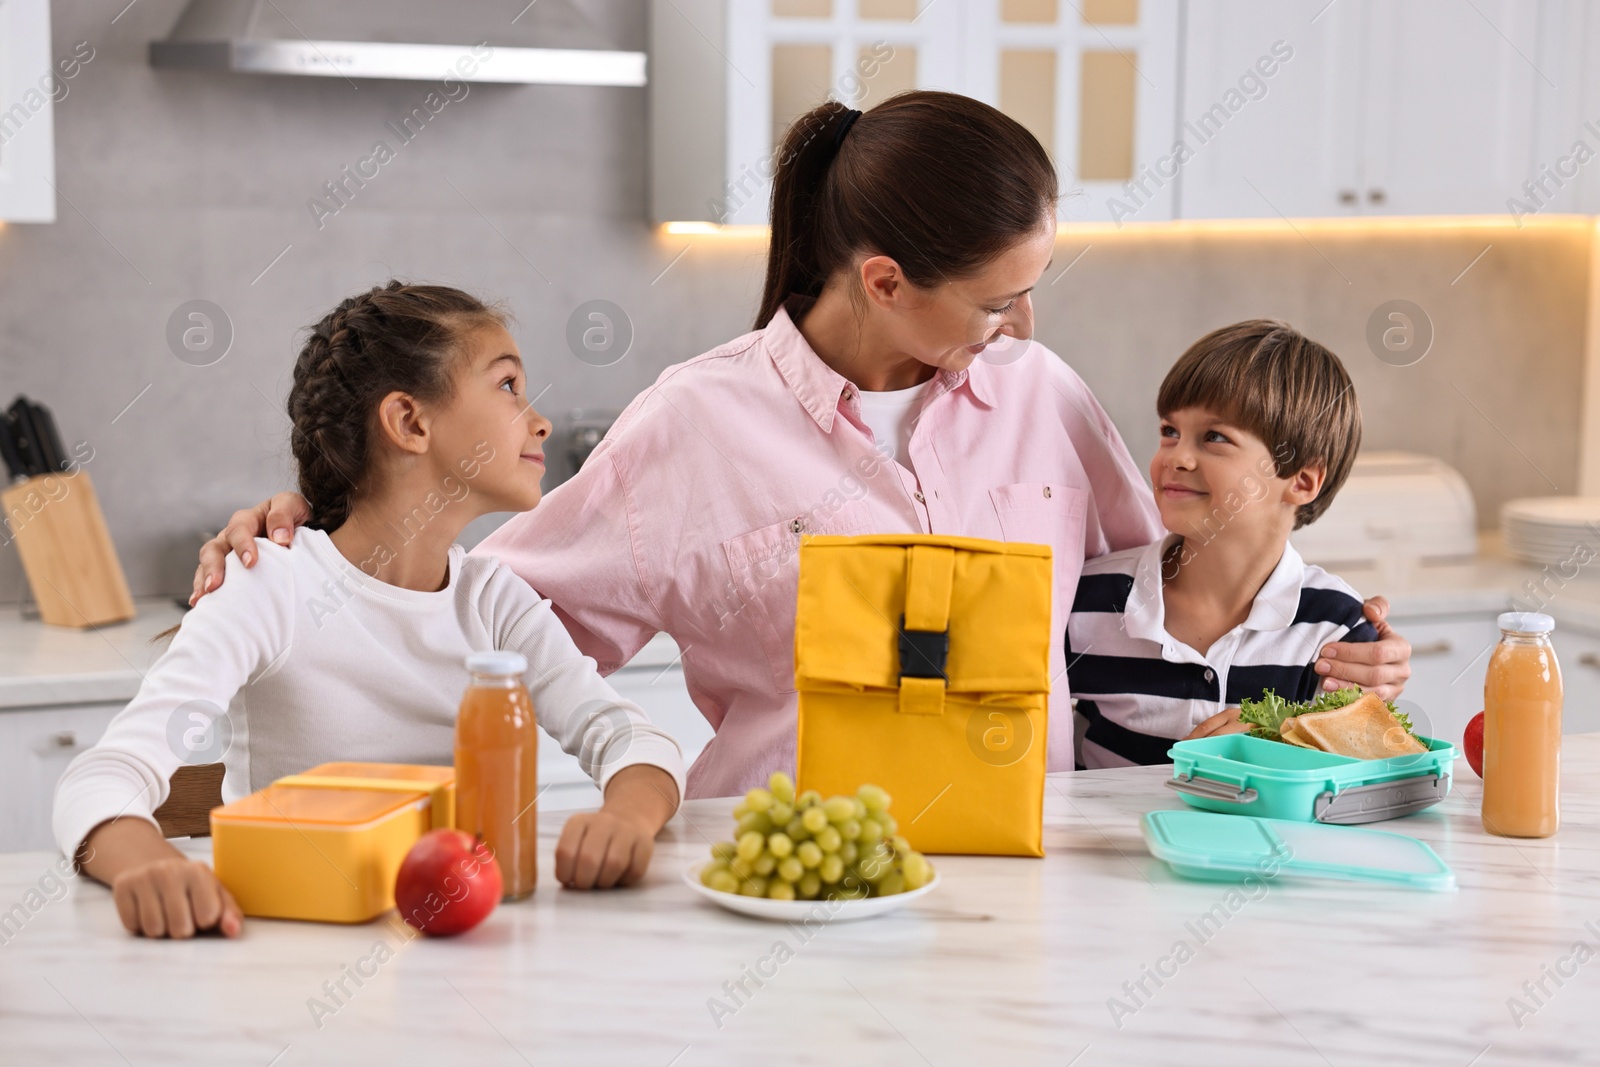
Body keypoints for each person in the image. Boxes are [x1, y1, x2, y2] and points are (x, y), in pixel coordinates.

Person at [190, 92, 1413, 799]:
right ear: (885, 280)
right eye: (994, 299)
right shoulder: (695, 424)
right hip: (780, 887)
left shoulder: (1038, 393)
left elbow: (1168, 597)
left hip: (1041, 883)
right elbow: (492, 619)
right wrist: (324, 541)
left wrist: (1335, 642)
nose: (1022, 325)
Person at [55, 283, 686, 939]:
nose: (541, 420)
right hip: (289, 946)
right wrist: (146, 863)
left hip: (458, 944)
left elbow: (633, 740)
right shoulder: (271, 585)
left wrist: (626, 818)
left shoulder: (495, 601)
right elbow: (101, 777)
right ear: (411, 422)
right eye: (507, 385)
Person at [1067, 320, 1378, 767]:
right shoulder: (1087, 600)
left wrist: (1283, 736)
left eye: (1215, 438)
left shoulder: (1334, 629)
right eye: (1170, 431)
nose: (1176, 457)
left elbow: (1358, 768)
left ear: (1302, 481)